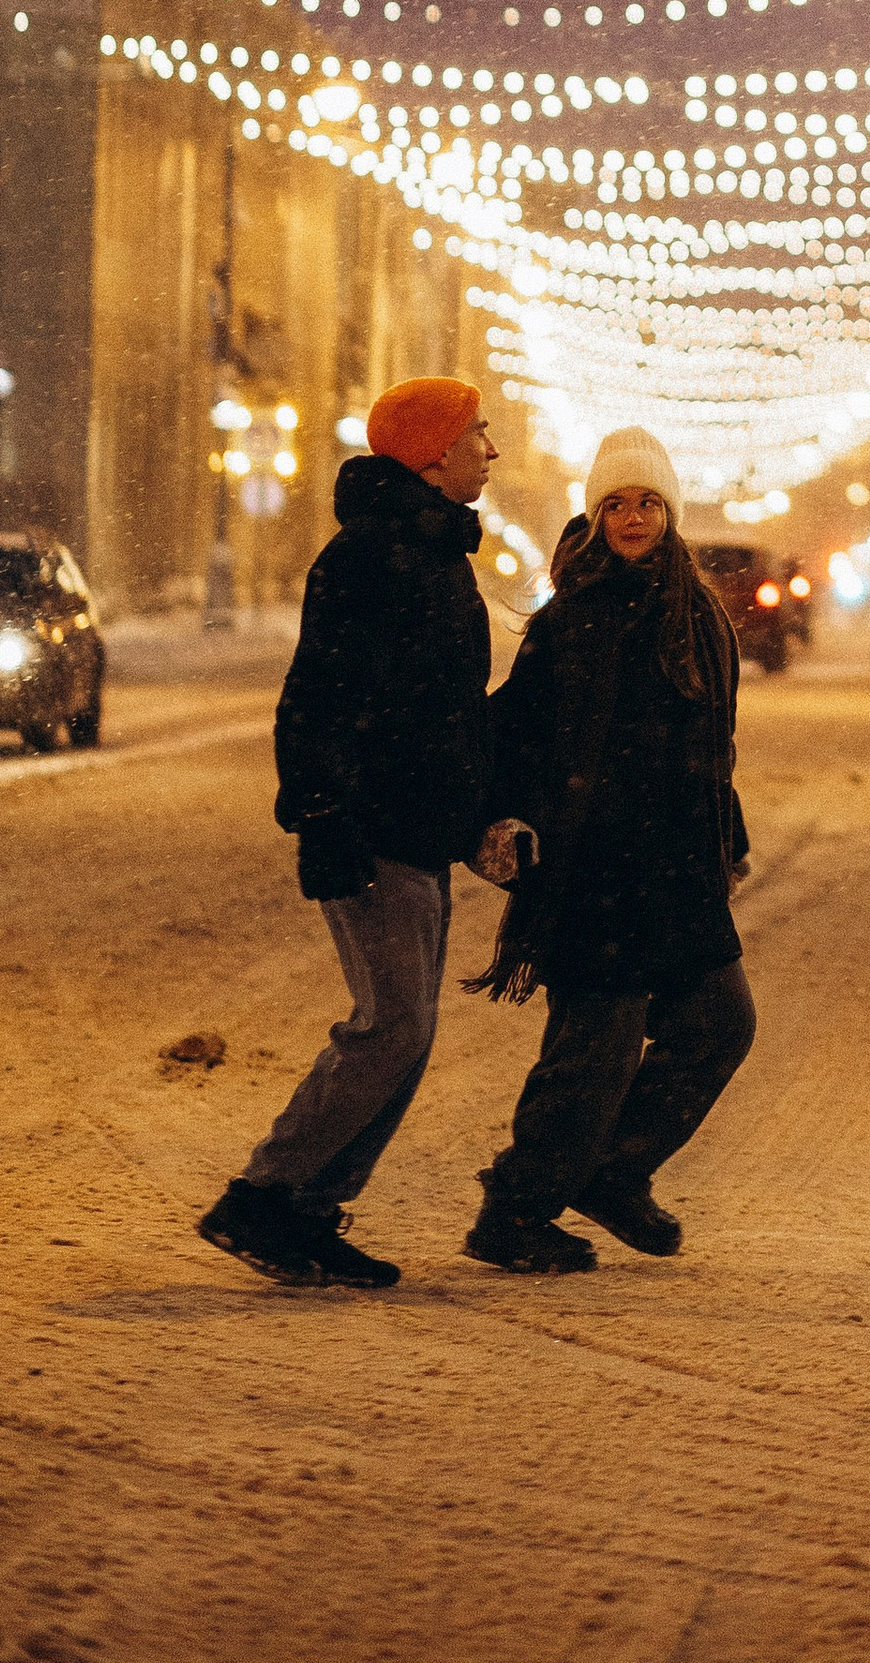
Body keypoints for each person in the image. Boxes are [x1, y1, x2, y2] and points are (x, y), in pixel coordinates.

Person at [197, 375, 503, 1288]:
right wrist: (323, 812)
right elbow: (317, 695)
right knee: (393, 1025)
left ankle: (308, 1211)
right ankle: (266, 1194)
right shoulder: (370, 556)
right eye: (478, 434)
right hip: (371, 826)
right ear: (433, 453)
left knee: (409, 1028)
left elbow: (445, 706)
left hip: (416, 825)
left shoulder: (436, 550)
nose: (492, 450)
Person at [466, 426, 756, 1275]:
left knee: (719, 1022)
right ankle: (514, 1212)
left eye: (648, 502)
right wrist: (501, 819)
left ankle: (613, 1170)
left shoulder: (697, 616)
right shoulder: (574, 618)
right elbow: (516, 733)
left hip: (678, 870)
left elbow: (711, 744)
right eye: (617, 505)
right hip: (594, 872)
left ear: (671, 511)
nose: (633, 519)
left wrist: (725, 840)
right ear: (596, 517)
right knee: (591, 1055)